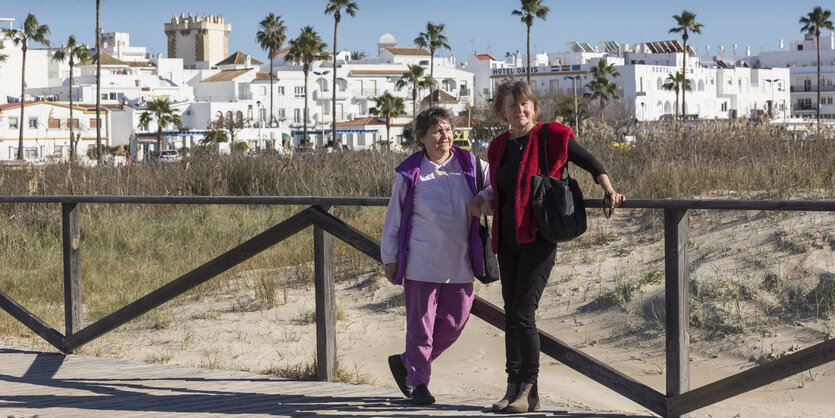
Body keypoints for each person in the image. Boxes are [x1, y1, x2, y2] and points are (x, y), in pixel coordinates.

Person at [480, 81, 625, 413]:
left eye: (524, 104)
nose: (519, 110)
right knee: (510, 316)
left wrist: (609, 189)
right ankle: (512, 386)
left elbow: (589, 160)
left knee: (522, 312)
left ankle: (529, 390)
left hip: (539, 236)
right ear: (501, 112)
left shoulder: (551, 135)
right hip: (506, 240)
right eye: (512, 105)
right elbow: (497, 188)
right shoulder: (498, 146)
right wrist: (482, 198)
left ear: (534, 106)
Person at [380, 106, 491, 405]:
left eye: (447, 129)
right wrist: (390, 258)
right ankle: (419, 384)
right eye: (437, 131)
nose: (445, 136)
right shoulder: (410, 172)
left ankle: (407, 362)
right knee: (421, 328)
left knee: (454, 322)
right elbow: (394, 218)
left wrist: (486, 196)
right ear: (421, 137)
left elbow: (496, 184)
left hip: (461, 261)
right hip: (421, 262)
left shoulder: (470, 163)